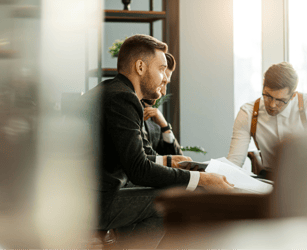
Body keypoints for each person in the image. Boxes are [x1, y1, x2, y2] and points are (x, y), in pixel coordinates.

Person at [80, 34, 233, 247]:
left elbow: (128, 155)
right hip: (92, 204)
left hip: (89, 196)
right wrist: (203, 179)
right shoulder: (124, 98)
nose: (164, 78)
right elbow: (139, 169)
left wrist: (168, 160)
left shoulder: (111, 89)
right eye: (161, 69)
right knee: (177, 198)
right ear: (140, 67)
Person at [227, 62, 307, 174]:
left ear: (293, 95)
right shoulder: (248, 112)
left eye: (280, 100)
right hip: (268, 181)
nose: (272, 105)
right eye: (267, 96)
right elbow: (234, 162)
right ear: (263, 86)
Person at [141, 52, 183, 156]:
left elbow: (178, 159)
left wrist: (165, 126)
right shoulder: (124, 111)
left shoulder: (154, 124)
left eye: (166, 84)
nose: (163, 92)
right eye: (162, 83)